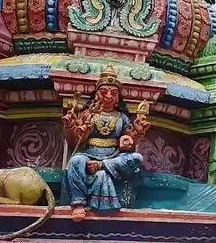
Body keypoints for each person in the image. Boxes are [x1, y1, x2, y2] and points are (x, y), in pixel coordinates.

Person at [62, 65, 150, 220]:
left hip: (113, 157)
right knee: (75, 161)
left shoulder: (122, 118)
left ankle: (101, 167)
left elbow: (128, 144)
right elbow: (73, 142)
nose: (109, 96)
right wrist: (71, 127)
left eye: (113, 93)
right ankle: (78, 203)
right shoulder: (88, 114)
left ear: (117, 97)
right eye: (104, 92)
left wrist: (138, 132)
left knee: (136, 158)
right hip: (89, 154)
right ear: (97, 95)